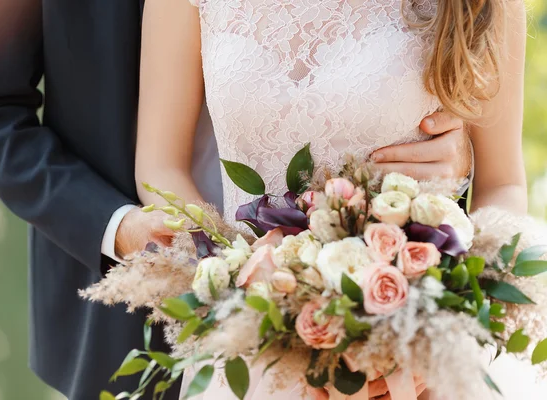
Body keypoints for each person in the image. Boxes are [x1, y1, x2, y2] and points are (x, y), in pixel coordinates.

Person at [0, 0, 472, 399]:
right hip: (131, 313)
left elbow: (459, 75)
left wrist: (457, 148)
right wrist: (119, 227)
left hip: (386, 303)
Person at [133, 0, 528, 399]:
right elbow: (161, 168)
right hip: (256, 340)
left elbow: (503, 183)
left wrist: (449, 318)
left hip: (413, 353)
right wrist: (240, 289)